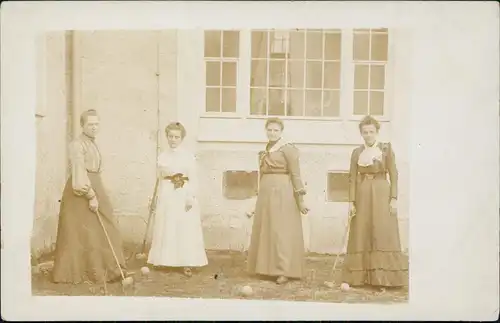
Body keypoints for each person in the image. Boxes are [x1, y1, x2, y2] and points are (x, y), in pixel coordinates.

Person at [52, 109, 127, 284]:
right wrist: (91, 194)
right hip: (81, 192)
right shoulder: (77, 145)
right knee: (83, 234)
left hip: (94, 185)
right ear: (82, 125)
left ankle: (108, 270)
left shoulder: (92, 143)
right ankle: (87, 273)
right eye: (90, 124)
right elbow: (79, 174)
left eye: (96, 124)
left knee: (104, 229)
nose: (94, 127)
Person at [342, 115, 409, 290]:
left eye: (371, 132)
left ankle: (382, 279)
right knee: (362, 230)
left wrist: (394, 198)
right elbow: (351, 178)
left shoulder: (386, 150)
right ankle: (359, 278)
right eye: (365, 132)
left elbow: (393, 174)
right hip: (362, 192)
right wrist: (352, 201)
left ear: (377, 132)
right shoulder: (357, 153)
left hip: (381, 192)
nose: (368, 135)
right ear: (361, 134)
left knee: (381, 230)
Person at [247, 117, 309, 285]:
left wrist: (300, 200)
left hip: (283, 191)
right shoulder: (265, 150)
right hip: (266, 192)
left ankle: (283, 271)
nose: (272, 133)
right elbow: (260, 175)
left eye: (276, 130)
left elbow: (295, 174)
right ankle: (265, 269)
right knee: (266, 228)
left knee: (281, 231)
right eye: (269, 130)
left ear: (281, 132)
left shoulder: (288, 149)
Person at [147, 122, 208, 276]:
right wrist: (156, 198)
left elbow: (193, 178)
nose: (173, 140)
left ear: (182, 138)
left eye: (177, 137)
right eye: (170, 136)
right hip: (167, 192)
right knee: (167, 225)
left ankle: (187, 262)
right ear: (167, 137)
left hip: (183, 192)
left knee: (183, 226)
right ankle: (165, 260)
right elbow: (160, 179)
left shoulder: (188, 157)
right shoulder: (163, 156)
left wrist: (190, 197)